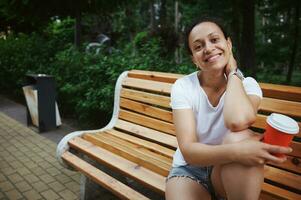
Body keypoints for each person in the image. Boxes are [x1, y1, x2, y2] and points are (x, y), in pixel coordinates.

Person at [165, 16, 292, 200]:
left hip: (227, 168)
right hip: (190, 169)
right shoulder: (183, 86)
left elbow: (238, 121)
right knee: (241, 144)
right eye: (198, 46)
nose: (208, 48)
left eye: (214, 40)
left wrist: (233, 73)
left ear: (229, 44)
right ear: (194, 58)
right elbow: (189, 151)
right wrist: (239, 152)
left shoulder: (248, 85)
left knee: (239, 136)